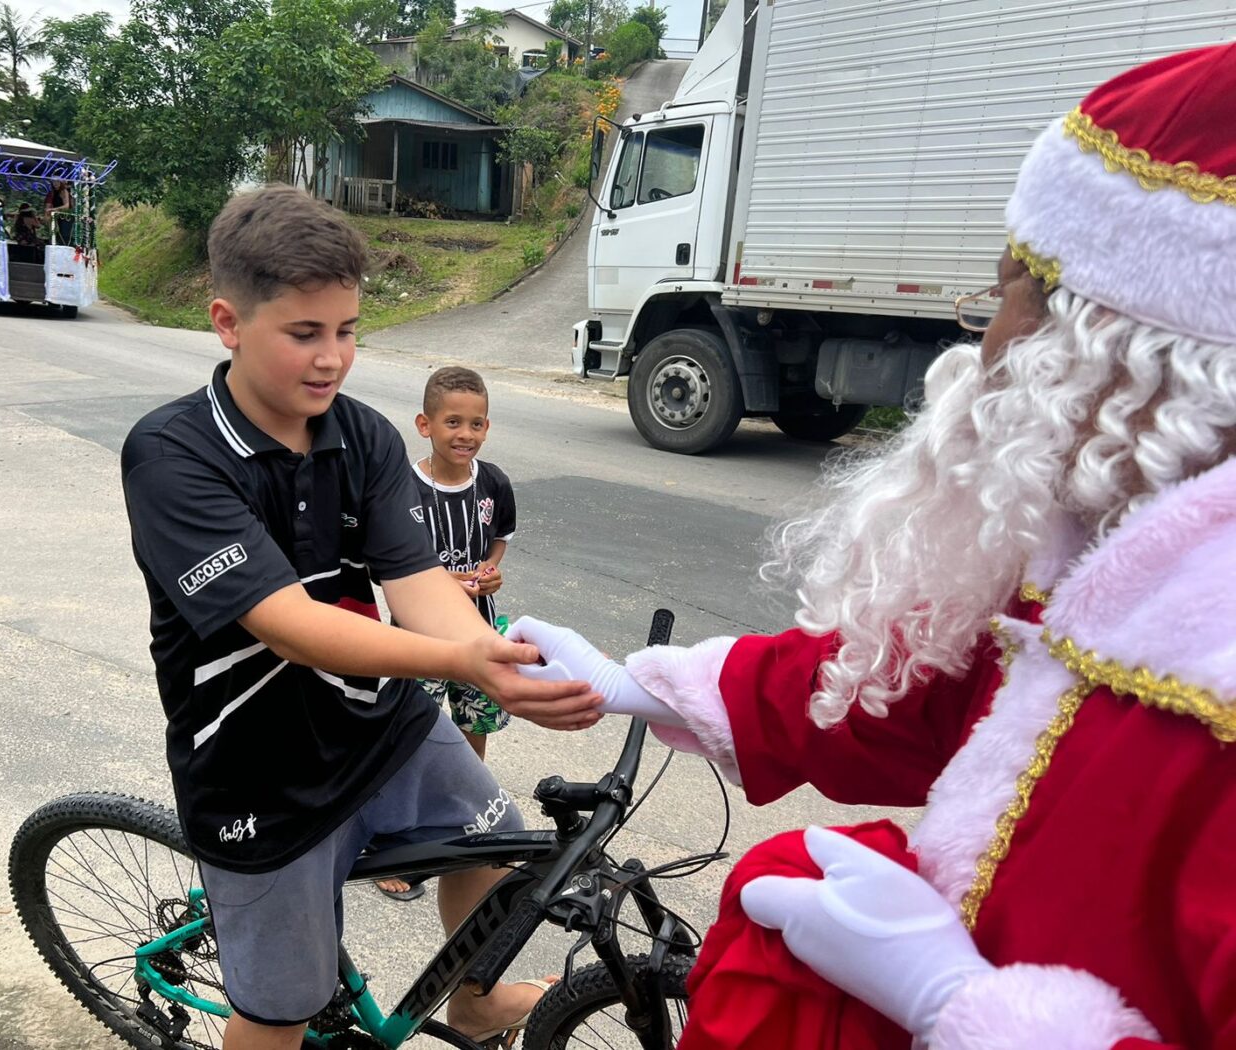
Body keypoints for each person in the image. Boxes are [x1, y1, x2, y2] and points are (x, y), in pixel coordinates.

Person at [511, 42, 1236, 1049]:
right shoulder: (1102, 561)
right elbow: (904, 691)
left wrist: (964, 1010)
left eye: (1012, 296)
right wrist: (637, 684)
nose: (985, 344)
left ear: (1133, 345)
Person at [119, 184, 600, 1050]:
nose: (332, 357)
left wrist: (494, 652)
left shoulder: (365, 435)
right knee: (279, 1015)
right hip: (256, 770)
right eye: (304, 333)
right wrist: (461, 665)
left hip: (380, 720)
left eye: (346, 330)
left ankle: (476, 999)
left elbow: (414, 580)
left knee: (492, 851)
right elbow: (287, 623)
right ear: (227, 322)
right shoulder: (172, 453)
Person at [375, 365, 518, 902]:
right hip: (419, 641)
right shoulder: (402, 489)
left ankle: (464, 816)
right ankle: (400, 836)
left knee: (472, 723)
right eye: (453, 421)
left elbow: (499, 538)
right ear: (424, 424)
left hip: (479, 631)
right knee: (414, 732)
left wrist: (491, 570)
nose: (466, 433)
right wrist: (437, 585)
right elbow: (384, 567)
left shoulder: (494, 483)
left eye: (476, 423)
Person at [44, 177, 73, 245]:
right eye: (54, 182)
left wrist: (53, 209)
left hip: (65, 217)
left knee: (64, 235)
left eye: (57, 182)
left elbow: (67, 206)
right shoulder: (53, 192)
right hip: (58, 216)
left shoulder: (64, 191)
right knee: (56, 234)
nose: (55, 184)